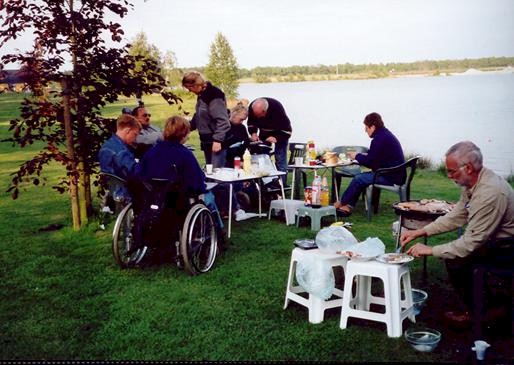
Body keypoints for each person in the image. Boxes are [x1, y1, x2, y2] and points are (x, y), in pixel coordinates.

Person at [400, 141, 514, 324]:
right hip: (493, 239)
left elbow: (470, 243)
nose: (449, 176)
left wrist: (430, 250)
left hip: (507, 247)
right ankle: (484, 306)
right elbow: (455, 216)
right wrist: (420, 232)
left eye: (452, 171)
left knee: (457, 259)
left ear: (468, 168)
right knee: (456, 259)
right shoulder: (472, 184)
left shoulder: (490, 193)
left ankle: (485, 313)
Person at [137, 115, 225, 236]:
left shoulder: (151, 152)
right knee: (209, 196)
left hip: (154, 195)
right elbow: (198, 180)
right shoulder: (185, 153)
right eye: (187, 133)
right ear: (183, 134)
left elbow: (141, 173)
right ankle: (219, 233)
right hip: (178, 197)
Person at [334, 112, 405, 216]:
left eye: (366, 128)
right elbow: (376, 157)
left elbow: (371, 162)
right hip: (395, 174)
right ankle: (347, 207)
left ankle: (341, 203)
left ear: (372, 127)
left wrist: (356, 156)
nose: (365, 131)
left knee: (359, 178)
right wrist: (362, 155)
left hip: (390, 176)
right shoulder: (384, 135)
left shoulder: (379, 139)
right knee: (362, 178)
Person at [181, 71, 231, 168]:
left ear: (196, 84)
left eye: (189, 87)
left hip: (216, 143)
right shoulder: (201, 95)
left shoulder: (214, 94)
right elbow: (200, 115)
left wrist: (218, 140)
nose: (189, 90)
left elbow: (223, 121)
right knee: (210, 171)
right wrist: (186, 127)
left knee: (217, 174)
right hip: (206, 142)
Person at [247, 97, 292, 184]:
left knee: (280, 160)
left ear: (265, 111)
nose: (257, 117)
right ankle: (266, 185)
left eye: (259, 115)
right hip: (264, 133)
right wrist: (253, 133)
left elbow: (287, 131)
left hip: (280, 133)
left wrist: (276, 138)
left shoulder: (277, 109)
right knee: (263, 161)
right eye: (255, 114)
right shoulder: (252, 108)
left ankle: (281, 186)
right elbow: (251, 123)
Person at [98, 114, 141, 203]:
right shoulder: (121, 151)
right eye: (135, 135)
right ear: (127, 131)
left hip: (113, 190)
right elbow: (135, 173)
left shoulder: (107, 146)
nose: (135, 139)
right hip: (126, 193)